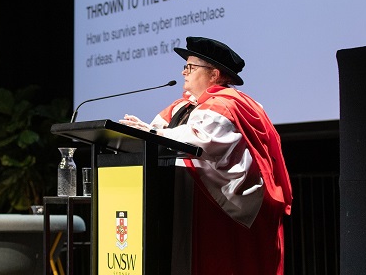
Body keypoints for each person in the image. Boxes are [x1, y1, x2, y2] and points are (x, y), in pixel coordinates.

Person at [119, 36, 293, 275]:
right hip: (185, 202)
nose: (183, 73)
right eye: (184, 67)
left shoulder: (227, 104)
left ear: (214, 75)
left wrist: (150, 132)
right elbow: (160, 133)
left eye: (191, 67)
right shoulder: (183, 106)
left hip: (222, 209)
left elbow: (199, 140)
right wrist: (138, 131)